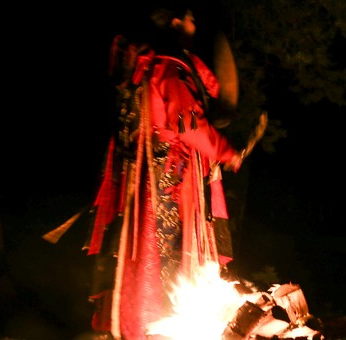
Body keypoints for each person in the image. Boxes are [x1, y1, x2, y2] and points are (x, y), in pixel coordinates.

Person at [82, 3, 248, 339]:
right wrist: (227, 152)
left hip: (145, 177)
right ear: (176, 21)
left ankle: (137, 325)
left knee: (145, 251)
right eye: (190, 17)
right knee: (166, 254)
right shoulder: (169, 66)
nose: (194, 23)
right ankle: (155, 328)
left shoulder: (144, 66)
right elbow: (187, 124)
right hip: (170, 177)